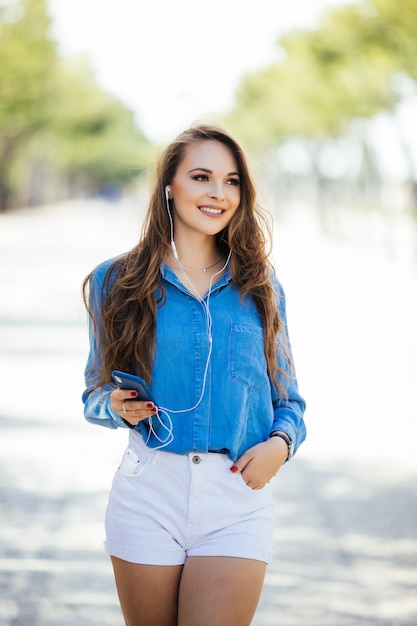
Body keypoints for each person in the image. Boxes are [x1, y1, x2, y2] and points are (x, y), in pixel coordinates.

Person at [82, 123, 306, 626]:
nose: (217, 193)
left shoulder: (261, 286)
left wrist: (280, 446)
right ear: (169, 185)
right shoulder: (114, 281)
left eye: (231, 182)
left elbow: (289, 400)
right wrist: (115, 407)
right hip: (148, 492)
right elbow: (94, 393)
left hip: (235, 498)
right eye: (202, 177)